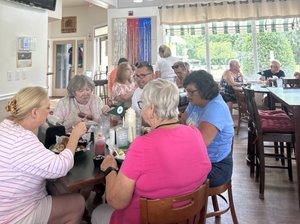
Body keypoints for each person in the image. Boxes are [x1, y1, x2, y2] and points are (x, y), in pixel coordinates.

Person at [91, 79, 211, 224]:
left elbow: (117, 202)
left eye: (142, 105)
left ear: (152, 110)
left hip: (144, 219)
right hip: (186, 218)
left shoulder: (142, 145)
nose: (141, 110)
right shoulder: (195, 133)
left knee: (97, 212)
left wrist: (110, 169)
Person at [0, 86, 86, 224]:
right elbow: (60, 166)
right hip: (15, 214)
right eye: (47, 108)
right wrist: (75, 135)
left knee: (57, 187)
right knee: (78, 203)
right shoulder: (21, 139)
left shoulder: (6, 126)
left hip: (7, 203)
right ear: (34, 112)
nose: (50, 111)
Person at [181, 70, 234, 187]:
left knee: (171, 178)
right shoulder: (195, 102)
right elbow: (181, 123)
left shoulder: (216, 107)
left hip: (216, 166)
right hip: (197, 159)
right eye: (187, 91)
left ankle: (193, 205)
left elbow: (200, 143)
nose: (188, 96)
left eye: (191, 92)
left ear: (204, 90)